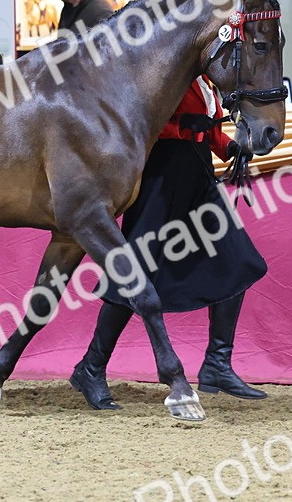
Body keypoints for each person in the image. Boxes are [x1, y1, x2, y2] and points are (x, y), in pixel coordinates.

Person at [70, 75, 268, 410]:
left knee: (237, 260)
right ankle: (91, 367)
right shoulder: (163, 71)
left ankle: (217, 364)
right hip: (161, 178)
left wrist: (230, 148)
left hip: (198, 176)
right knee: (134, 273)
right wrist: (180, 129)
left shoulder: (204, 79)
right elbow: (141, 121)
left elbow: (207, 128)